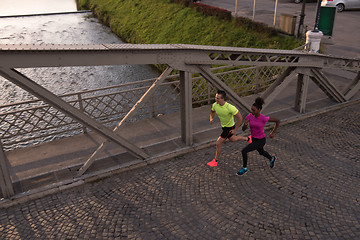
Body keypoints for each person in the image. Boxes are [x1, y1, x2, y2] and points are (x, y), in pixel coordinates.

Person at [236, 97, 280, 175]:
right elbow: (243, 129)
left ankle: (244, 168)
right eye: (251, 109)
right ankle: (271, 158)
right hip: (253, 138)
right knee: (261, 152)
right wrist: (245, 125)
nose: (252, 111)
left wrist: (273, 132)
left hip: (261, 140)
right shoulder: (249, 116)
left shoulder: (263, 118)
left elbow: (277, 121)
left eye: (254, 110)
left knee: (244, 151)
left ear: (259, 110)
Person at [207, 90, 251, 167]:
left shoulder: (230, 107)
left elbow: (240, 118)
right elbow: (212, 111)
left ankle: (215, 161)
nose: (216, 99)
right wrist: (211, 118)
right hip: (224, 127)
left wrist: (235, 130)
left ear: (223, 99)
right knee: (233, 139)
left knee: (218, 143)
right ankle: (248, 139)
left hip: (229, 127)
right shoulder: (215, 105)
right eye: (215, 97)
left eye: (218, 98)